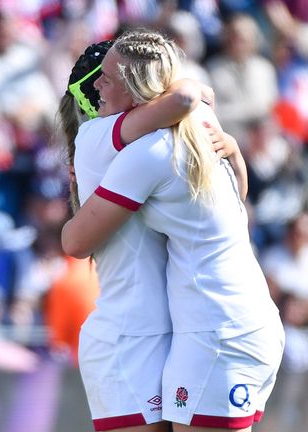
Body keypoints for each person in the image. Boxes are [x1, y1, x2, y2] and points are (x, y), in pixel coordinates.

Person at [61, 30, 284, 431]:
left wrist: (79, 190)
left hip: (206, 331)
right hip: (215, 326)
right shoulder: (200, 121)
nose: (98, 86)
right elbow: (240, 196)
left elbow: (74, 242)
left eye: (107, 78)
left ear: (132, 90)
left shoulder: (143, 149)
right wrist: (231, 146)